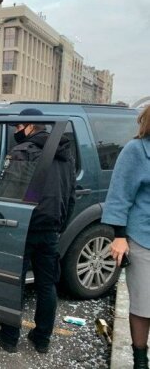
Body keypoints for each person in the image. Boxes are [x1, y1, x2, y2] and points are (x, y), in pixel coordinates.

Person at [0, 108, 76, 354]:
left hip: (23, 226)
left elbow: (7, 192)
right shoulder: (65, 154)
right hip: (51, 227)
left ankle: (8, 336)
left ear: (29, 126)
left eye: (18, 128)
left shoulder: (22, 152)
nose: (16, 132)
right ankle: (42, 339)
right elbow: (70, 195)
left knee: (13, 281)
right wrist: (60, 225)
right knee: (47, 285)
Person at [103, 105, 150, 369]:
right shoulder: (137, 151)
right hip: (143, 237)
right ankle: (140, 360)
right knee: (144, 303)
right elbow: (120, 194)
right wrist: (119, 236)